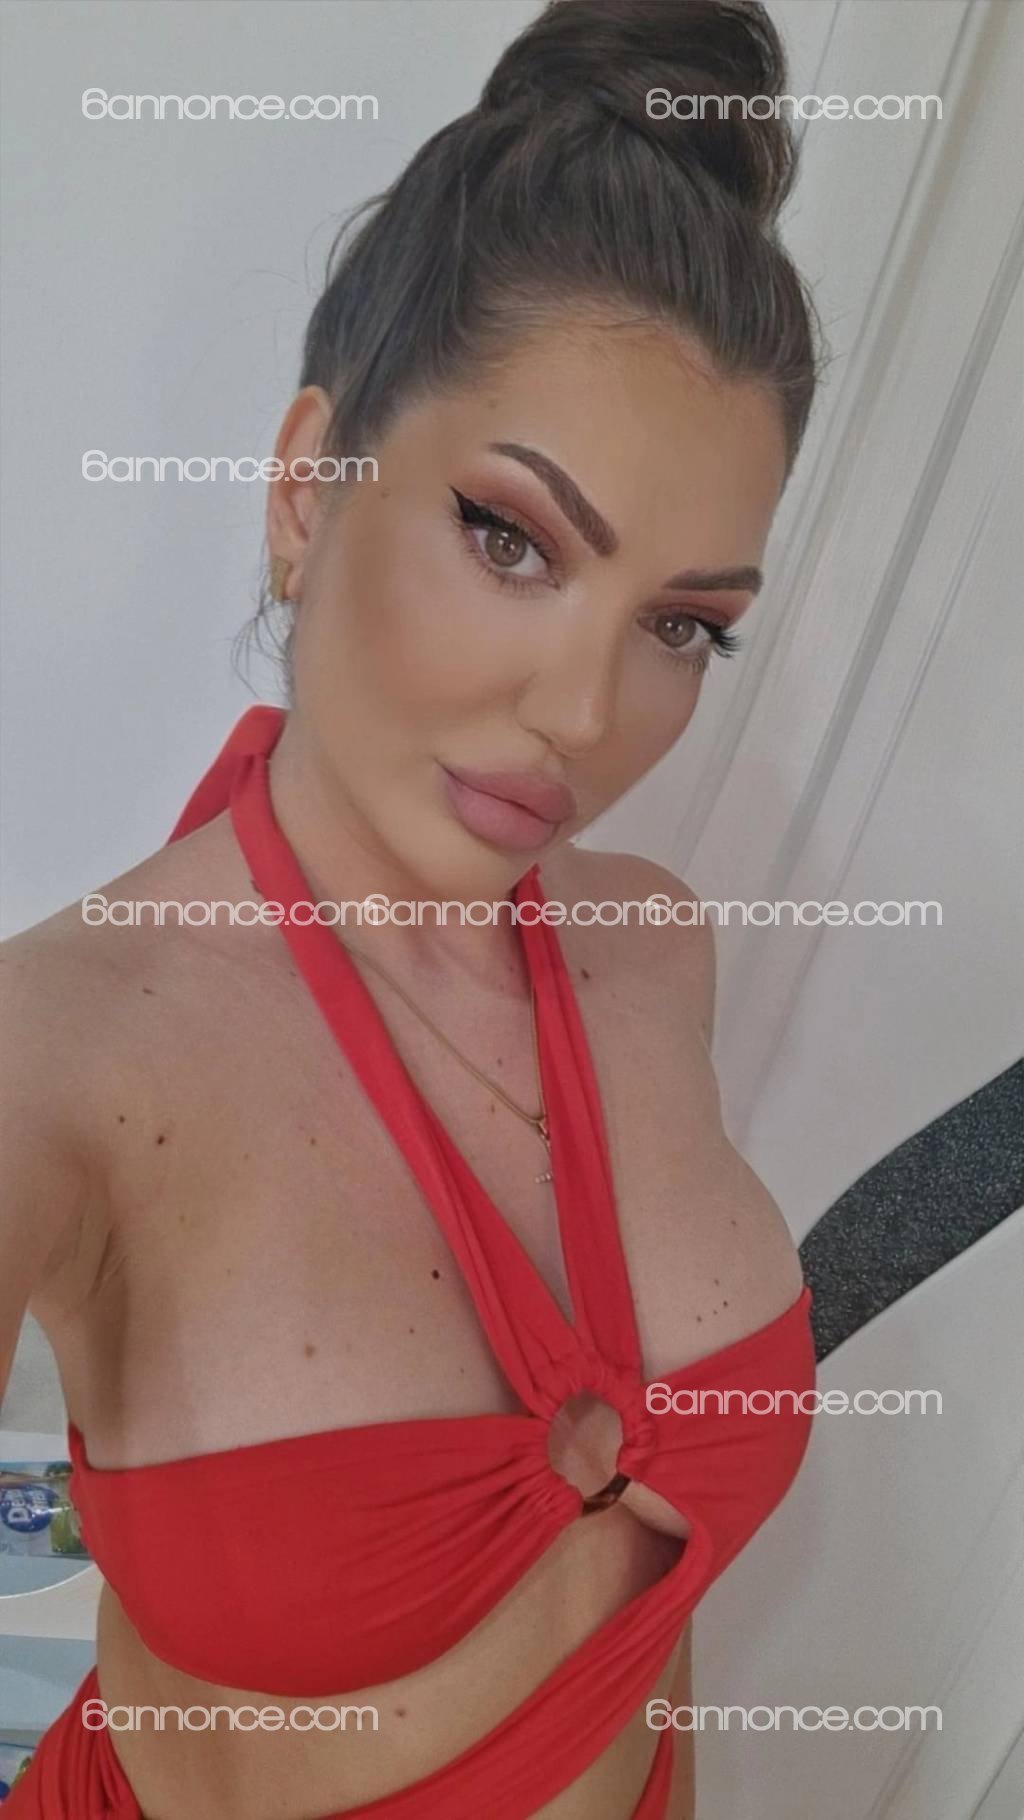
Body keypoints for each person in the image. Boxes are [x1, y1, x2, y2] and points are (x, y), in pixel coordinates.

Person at [0, 3, 823, 1815]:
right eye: (511, 538)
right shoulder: (55, 1059)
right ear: (307, 489)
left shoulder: (657, 951)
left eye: (682, 626)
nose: (586, 715)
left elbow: (644, 1613)